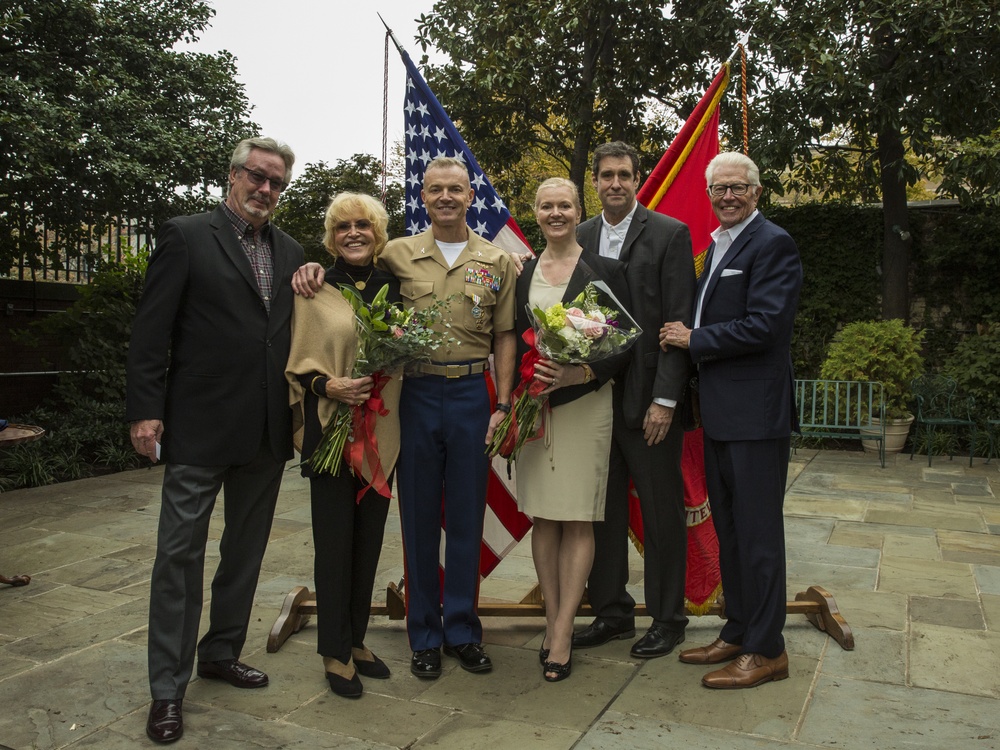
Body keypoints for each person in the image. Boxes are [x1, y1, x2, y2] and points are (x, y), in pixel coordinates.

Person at [291, 156, 516, 680]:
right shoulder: (397, 254)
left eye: (455, 189)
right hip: (413, 395)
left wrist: (503, 403)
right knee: (417, 521)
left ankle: (462, 629)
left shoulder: (497, 260)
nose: (445, 198)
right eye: (435, 189)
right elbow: (353, 275)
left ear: (470, 195)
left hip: (470, 396)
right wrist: (312, 268)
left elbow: (505, 335)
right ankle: (425, 636)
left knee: (465, 518)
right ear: (423, 196)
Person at [126, 137, 304, 743]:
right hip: (199, 425)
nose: (265, 190)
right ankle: (166, 689)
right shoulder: (186, 235)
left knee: (244, 553)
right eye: (257, 176)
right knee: (179, 557)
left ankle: (221, 651)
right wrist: (146, 411)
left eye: (277, 183)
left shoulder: (291, 251)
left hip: (264, 430)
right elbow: (152, 331)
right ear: (233, 175)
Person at [660, 151, 802, 689]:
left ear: (757, 192)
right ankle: (739, 629)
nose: (727, 196)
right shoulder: (717, 246)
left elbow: (766, 325)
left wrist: (695, 339)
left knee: (760, 536)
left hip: (756, 418)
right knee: (732, 532)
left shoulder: (772, 243)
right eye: (718, 188)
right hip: (719, 416)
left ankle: (768, 650)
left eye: (738, 187)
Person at [573, 142, 696, 659]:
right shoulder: (578, 236)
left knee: (661, 512)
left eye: (624, 174)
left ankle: (668, 618)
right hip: (593, 400)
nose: (615, 183)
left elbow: (677, 324)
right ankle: (612, 611)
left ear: (638, 178)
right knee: (601, 511)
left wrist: (665, 400)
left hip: (649, 404)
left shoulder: (669, 234)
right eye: (606, 176)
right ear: (594, 183)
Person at [512, 178, 631, 681]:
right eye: (546, 206)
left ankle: (562, 631)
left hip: (586, 407)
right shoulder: (523, 272)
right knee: (544, 517)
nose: (555, 213)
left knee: (578, 518)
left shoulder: (604, 270)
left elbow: (624, 343)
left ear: (578, 211)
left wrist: (578, 372)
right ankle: (551, 619)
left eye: (564, 205)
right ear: (535, 213)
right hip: (536, 406)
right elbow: (511, 340)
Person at [285, 193, 401, 698]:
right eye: (343, 228)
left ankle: (355, 640)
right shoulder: (313, 287)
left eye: (364, 226)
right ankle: (333, 650)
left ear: (377, 233)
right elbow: (295, 363)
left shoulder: (394, 288)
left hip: (381, 433)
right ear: (331, 238)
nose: (354, 233)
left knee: (369, 539)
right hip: (330, 428)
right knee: (334, 543)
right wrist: (328, 386)